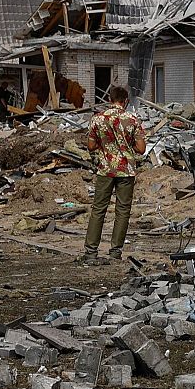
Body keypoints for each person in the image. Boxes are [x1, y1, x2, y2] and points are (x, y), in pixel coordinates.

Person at [79, 85, 147, 264]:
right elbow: (141, 149)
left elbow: (91, 146)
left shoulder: (97, 119)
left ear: (110, 99)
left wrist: (106, 145)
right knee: (122, 211)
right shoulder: (132, 120)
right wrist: (126, 145)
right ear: (125, 101)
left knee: (98, 209)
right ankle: (115, 251)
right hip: (126, 171)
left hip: (105, 169)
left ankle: (91, 251)